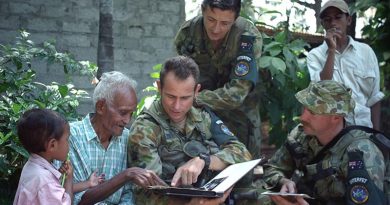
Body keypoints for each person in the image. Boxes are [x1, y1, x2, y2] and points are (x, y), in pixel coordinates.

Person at [128, 56, 252, 204]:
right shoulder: (145, 129)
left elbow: (242, 153)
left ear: (196, 91)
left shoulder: (203, 116)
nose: (177, 106)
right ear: (159, 87)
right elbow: (146, 193)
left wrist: (204, 161)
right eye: (171, 96)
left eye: (185, 98)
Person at [262, 80, 386, 205]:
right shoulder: (301, 135)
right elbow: (272, 169)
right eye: (304, 108)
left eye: (312, 112)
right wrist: (284, 181)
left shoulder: (359, 153)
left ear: (336, 117)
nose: (303, 117)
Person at [174, 0, 263, 158]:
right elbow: (180, 77)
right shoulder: (188, 33)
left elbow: (236, 95)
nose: (216, 29)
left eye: (224, 23)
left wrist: (194, 98)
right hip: (200, 118)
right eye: (211, 20)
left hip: (239, 118)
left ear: (235, 19)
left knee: (241, 173)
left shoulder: (247, 37)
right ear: (203, 11)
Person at [69, 71, 165, 205]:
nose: (127, 120)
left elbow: (128, 194)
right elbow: (76, 200)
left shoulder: (126, 138)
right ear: (101, 106)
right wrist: (126, 175)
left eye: (131, 114)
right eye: (123, 112)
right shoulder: (71, 136)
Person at [306, 0, 384, 130]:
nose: (333, 23)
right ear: (323, 24)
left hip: (364, 131)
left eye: (338, 17)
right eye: (327, 19)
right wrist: (331, 50)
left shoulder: (366, 52)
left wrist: (377, 136)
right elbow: (321, 91)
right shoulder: (315, 55)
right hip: (333, 134)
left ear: (348, 20)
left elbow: (374, 98)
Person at [13, 108, 73, 205]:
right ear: (52, 145)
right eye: (67, 139)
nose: (68, 144)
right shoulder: (46, 181)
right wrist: (69, 180)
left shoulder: (31, 166)